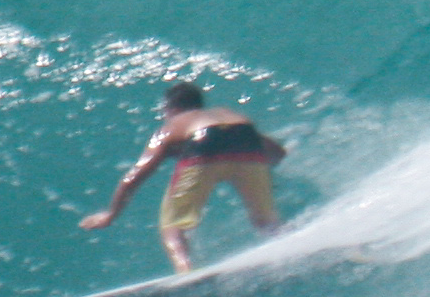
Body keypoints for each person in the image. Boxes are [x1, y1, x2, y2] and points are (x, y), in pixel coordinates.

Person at [82, 80, 289, 273]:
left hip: (204, 146)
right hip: (246, 141)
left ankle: (185, 271)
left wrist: (111, 214)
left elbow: (133, 178)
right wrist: (264, 176)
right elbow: (276, 153)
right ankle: (286, 247)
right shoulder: (224, 114)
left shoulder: (173, 125)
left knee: (172, 226)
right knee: (265, 220)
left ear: (171, 109)